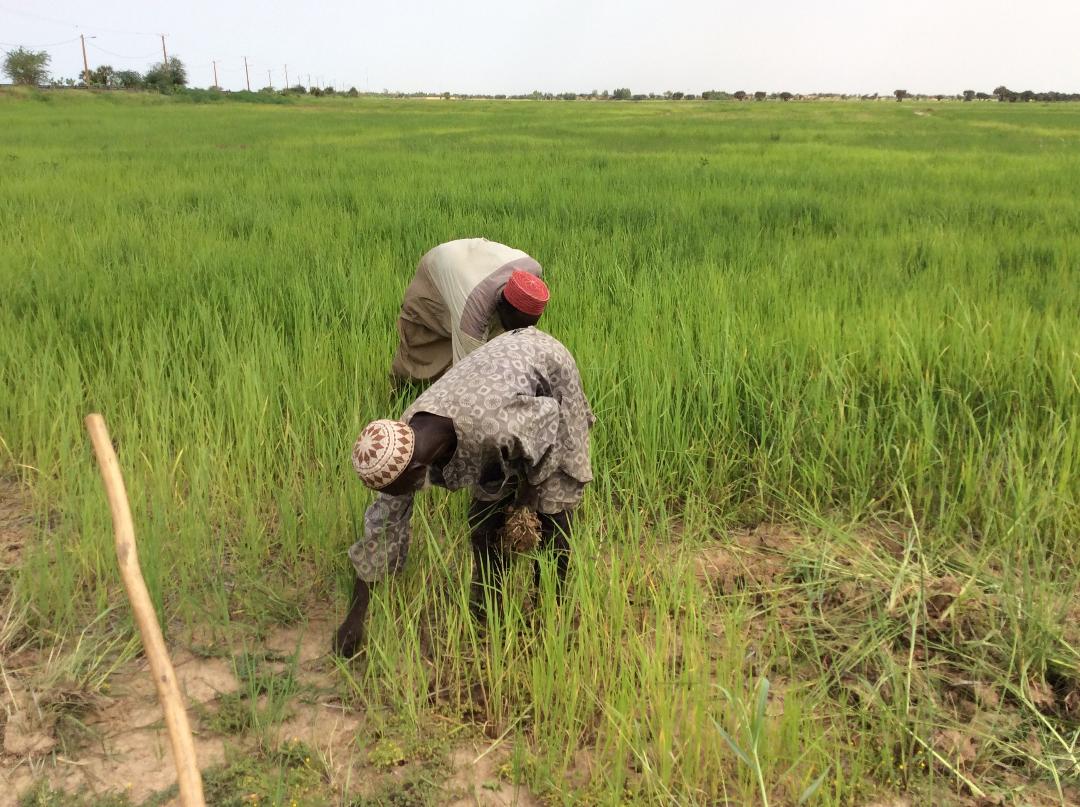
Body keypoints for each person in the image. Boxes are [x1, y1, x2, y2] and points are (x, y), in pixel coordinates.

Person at [334, 327, 594, 657]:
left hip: (548, 373)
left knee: (552, 512)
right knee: (484, 521)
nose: (398, 497)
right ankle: (486, 605)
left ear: (417, 470)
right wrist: (355, 617)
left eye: (400, 490)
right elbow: (384, 524)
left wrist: (525, 504)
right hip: (498, 386)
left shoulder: (491, 427)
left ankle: (549, 613)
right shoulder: (400, 441)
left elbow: (548, 424)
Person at [390, 238, 550, 383]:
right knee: (421, 343)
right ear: (500, 306)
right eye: (513, 326)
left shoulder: (532, 274)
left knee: (495, 348)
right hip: (440, 266)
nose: (517, 331)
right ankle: (400, 390)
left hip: (474, 263)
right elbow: (467, 375)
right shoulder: (472, 312)